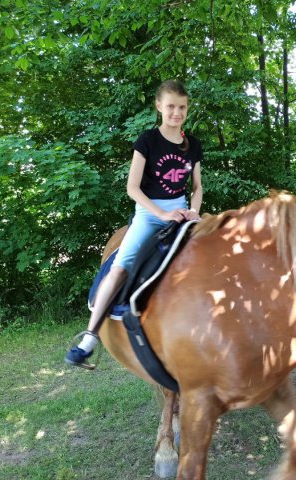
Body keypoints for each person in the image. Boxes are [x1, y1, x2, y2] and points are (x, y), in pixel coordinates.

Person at [65, 79, 203, 369]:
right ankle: (89, 337)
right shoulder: (147, 141)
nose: (176, 112)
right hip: (150, 214)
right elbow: (132, 188)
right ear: (159, 107)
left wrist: (193, 210)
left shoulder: (194, 146)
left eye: (182, 107)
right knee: (120, 268)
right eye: (170, 107)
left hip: (182, 213)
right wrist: (163, 214)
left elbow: (197, 187)